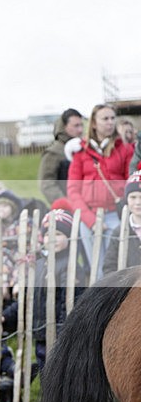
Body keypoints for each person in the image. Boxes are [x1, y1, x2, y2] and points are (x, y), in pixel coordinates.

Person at [2, 209, 87, 371]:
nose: (52, 239)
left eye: (59, 234)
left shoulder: (70, 266)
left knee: (60, 374)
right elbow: (28, 297)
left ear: (70, 237)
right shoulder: (40, 264)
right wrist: (6, 315)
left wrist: (62, 334)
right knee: (45, 372)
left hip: (59, 336)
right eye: (48, 234)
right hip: (40, 333)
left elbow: (69, 304)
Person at [67, 104, 133, 278]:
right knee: (97, 269)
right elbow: (73, 190)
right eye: (105, 119)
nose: (110, 122)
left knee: (116, 268)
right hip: (89, 216)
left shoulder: (124, 149)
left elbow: (131, 182)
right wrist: (90, 220)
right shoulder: (80, 152)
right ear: (94, 123)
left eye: (113, 118)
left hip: (115, 215)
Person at [37, 108, 84, 204]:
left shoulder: (83, 148)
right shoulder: (53, 152)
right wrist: (66, 204)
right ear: (64, 127)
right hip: (69, 208)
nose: (80, 130)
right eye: (76, 126)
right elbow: (47, 184)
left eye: (81, 125)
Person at [104, 171, 141, 273]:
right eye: (133, 197)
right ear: (126, 199)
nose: (138, 202)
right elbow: (109, 266)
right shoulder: (119, 232)